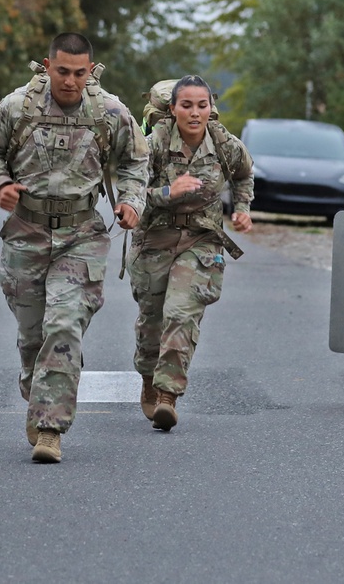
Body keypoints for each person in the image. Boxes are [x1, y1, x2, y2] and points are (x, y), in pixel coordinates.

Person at [0, 32, 149, 463]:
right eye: (63, 71)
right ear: (47, 66)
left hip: (81, 234)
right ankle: (40, 392)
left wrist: (131, 201)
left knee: (65, 324)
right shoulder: (17, 108)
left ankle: (50, 427)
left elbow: (135, 160)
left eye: (79, 73)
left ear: (91, 70)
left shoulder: (109, 111)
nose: (70, 81)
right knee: (33, 336)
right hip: (25, 232)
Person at [128, 75, 253, 432]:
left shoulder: (224, 144)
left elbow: (244, 174)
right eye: (187, 106)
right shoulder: (152, 144)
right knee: (153, 322)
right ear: (173, 109)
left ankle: (168, 395)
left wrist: (242, 209)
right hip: (154, 239)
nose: (195, 113)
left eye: (202, 105)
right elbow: (132, 191)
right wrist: (168, 191)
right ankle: (150, 380)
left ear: (211, 108)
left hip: (201, 240)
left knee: (181, 313)